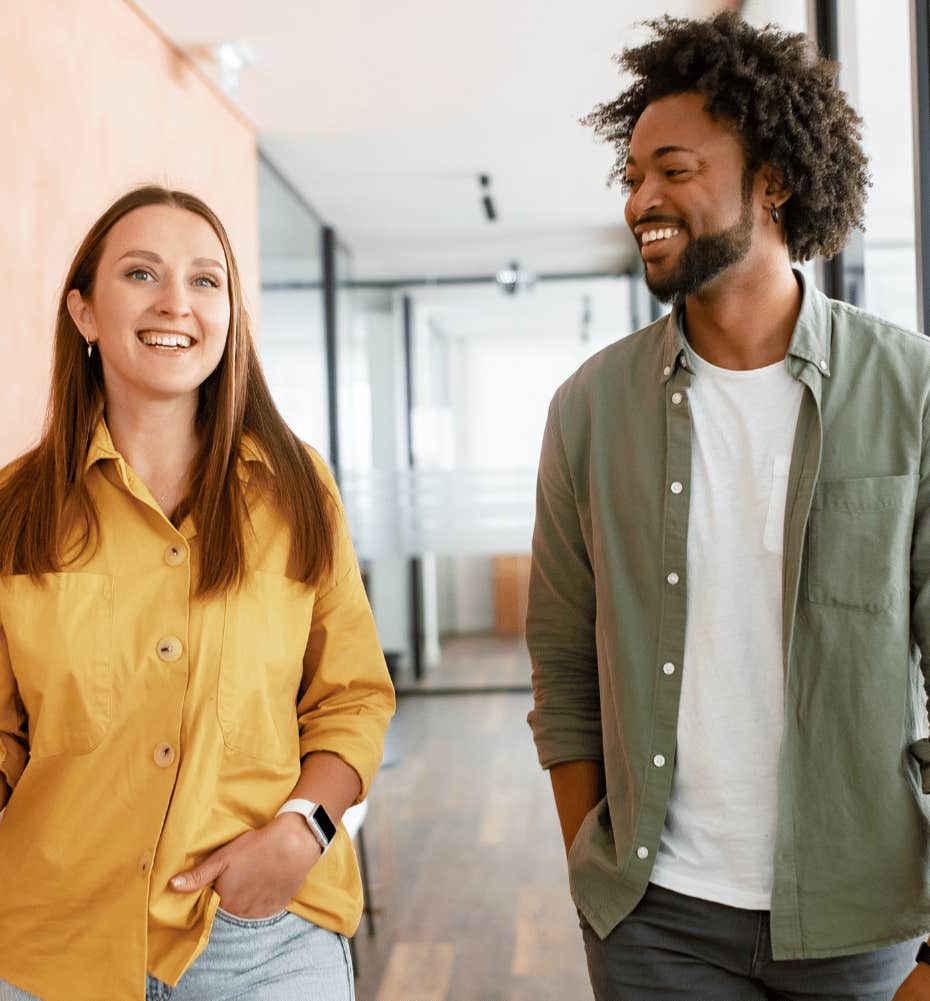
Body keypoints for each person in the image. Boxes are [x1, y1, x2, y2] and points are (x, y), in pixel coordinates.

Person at [526, 12, 930, 1001]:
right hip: (656, 919)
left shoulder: (909, 388)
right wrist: (597, 869)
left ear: (773, 180)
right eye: (631, 176)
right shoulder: (589, 407)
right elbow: (563, 662)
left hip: (863, 911)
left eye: (673, 169)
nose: (641, 200)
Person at [0, 186, 395, 1001]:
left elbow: (352, 699)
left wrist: (302, 832)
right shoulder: (15, 508)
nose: (175, 301)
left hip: (263, 936)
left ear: (229, 312)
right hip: (53, 942)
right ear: (83, 311)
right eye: (141, 274)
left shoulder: (297, 489)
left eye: (205, 280)